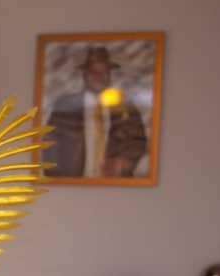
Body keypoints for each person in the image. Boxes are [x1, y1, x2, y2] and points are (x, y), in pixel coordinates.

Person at [44, 46, 148, 178]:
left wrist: (125, 161)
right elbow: (50, 143)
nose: (99, 76)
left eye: (105, 72)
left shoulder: (126, 107)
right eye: (94, 71)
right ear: (85, 75)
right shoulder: (66, 106)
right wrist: (55, 179)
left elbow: (138, 141)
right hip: (72, 183)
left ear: (110, 75)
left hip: (115, 184)